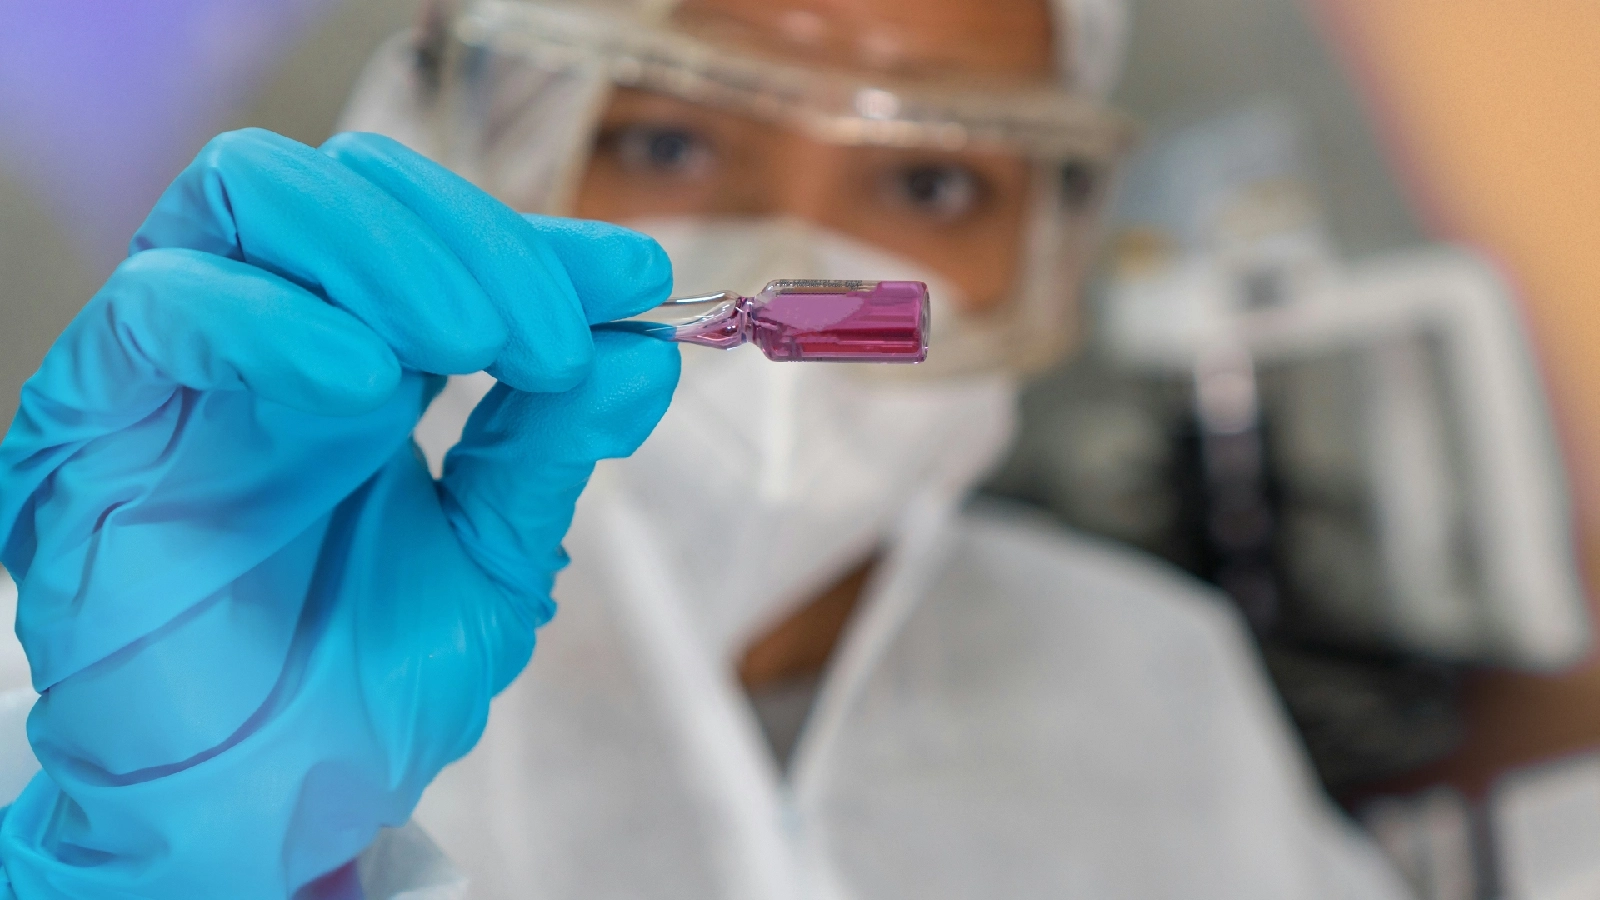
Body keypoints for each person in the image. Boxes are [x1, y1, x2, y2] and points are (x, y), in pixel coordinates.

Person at [0, 0, 1412, 897]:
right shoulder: (146, 658)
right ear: (461, 137)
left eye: (929, 179)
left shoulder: (1150, 681)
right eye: (668, 140)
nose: (796, 250)